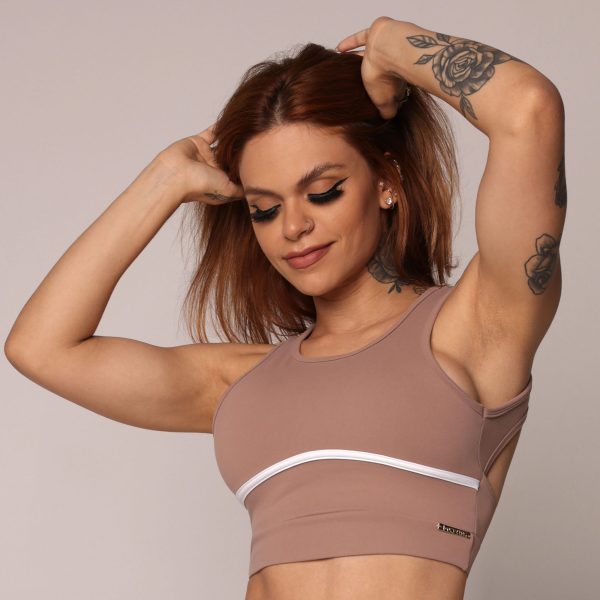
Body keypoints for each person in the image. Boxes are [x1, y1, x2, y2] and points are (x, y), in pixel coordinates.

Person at [4, 15, 565, 600]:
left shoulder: (477, 327)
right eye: (264, 209)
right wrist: (164, 179)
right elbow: (40, 348)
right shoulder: (242, 382)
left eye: (322, 192)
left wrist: (390, 47)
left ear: (386, 181)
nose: (293, 227)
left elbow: (530, 110)